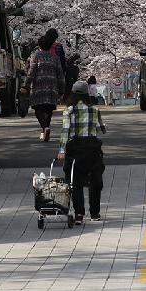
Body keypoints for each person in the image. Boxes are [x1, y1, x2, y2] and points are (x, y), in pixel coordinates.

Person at [57, 80, 107, 224]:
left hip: (75, 148)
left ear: (72, 93)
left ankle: (79, 214)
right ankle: (95, 213)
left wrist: (61, 150)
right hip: (92, 148)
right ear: (87, 94)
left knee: (75, 181)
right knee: (95, 181)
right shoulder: (95, 110)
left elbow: (65, 131)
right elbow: (101, 129)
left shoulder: (69, 111)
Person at [24, 29, 65, 142]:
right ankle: (45, 128)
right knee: (49, 109)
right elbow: (60, 74)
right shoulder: (55, 58)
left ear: (39, 45)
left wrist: (26, 86)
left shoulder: (35, 56)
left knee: (38, 108)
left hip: (38, 86)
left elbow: (31, 72)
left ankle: (44, 127)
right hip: (52, 86)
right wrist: (62, 89)